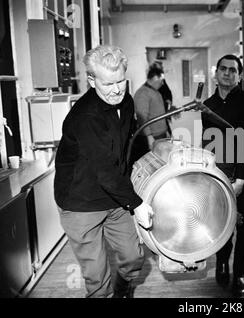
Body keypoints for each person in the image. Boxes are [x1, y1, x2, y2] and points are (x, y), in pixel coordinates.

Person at [54, 45, 154, 298]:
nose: (117, 89)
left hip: (114, 196)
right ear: (91, 80)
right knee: (97, 278)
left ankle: (122, 292)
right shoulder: (85, 116)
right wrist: (137, 204)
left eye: (121, 80)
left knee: (133, 259)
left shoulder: (127, 101)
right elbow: (104, 170)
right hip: (81, 202)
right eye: (108, 84)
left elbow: (128, 146)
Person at [202, 54, 244, 297]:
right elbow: (208, 143)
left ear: (240, 75)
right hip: (219, 175)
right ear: (216, 73)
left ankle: (241, 273)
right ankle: (223, 262)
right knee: (221, 225)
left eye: (233, 70)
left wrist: (243, 179)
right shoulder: (208, 105)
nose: (227, 73)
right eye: (223, 69)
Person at [132, 62, 170, 161]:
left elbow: (159, 113)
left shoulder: (155, 92)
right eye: (161, 81)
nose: (162, 83)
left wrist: (167, 132)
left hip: (160, 136)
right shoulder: (142, 93)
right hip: (151, 138)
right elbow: (142, 117)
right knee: (152, 165)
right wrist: (149, 137)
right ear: (154, 78)